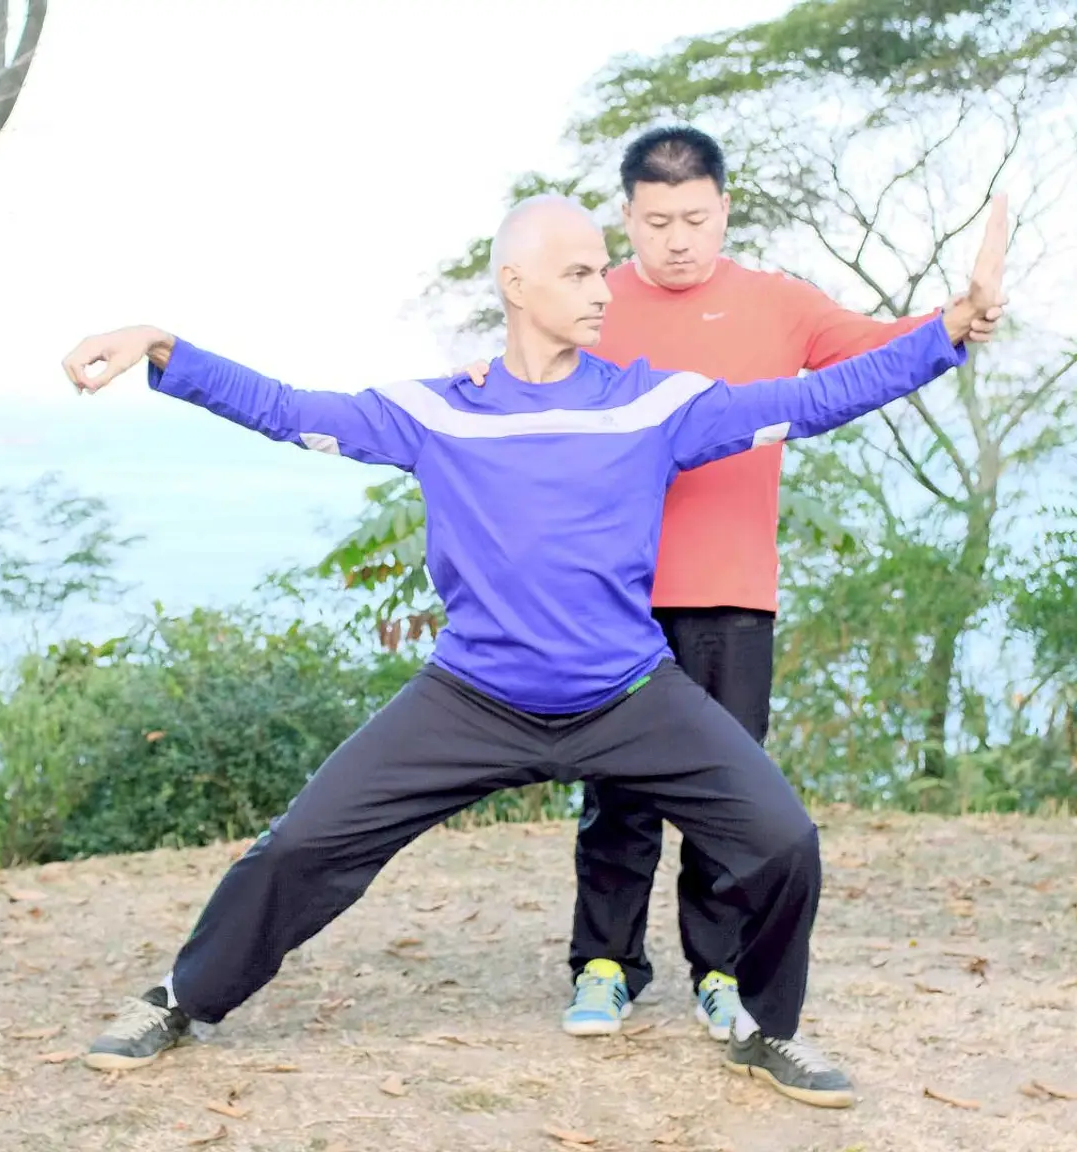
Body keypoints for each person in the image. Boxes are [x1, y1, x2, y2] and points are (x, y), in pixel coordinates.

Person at [59, 191, 1008, 1108]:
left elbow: (817, 397)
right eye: (579, 273)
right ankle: (180, 1000)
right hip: (472, 698)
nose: (603, 290)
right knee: (302, 845)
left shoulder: (652, 405)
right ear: (516, 284)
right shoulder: (441, 411)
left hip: (629, 696)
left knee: (784, 840)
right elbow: (290, 408)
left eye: (603, 270)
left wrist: (946, 332)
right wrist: (162, 346)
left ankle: (766, 1026)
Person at [463, 126, 998, 1042]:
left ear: (725, 209)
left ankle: (721, 973)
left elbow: (879, 352)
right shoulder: (593, 300)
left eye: (695, 219)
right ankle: (604, 965)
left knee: (725, 792)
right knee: (618, 793)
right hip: (615, 596)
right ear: (625, 216)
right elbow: (517, 378)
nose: (677, 240)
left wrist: (956, 320)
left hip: (733, 592)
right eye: (656, 222)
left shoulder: (778, 302)